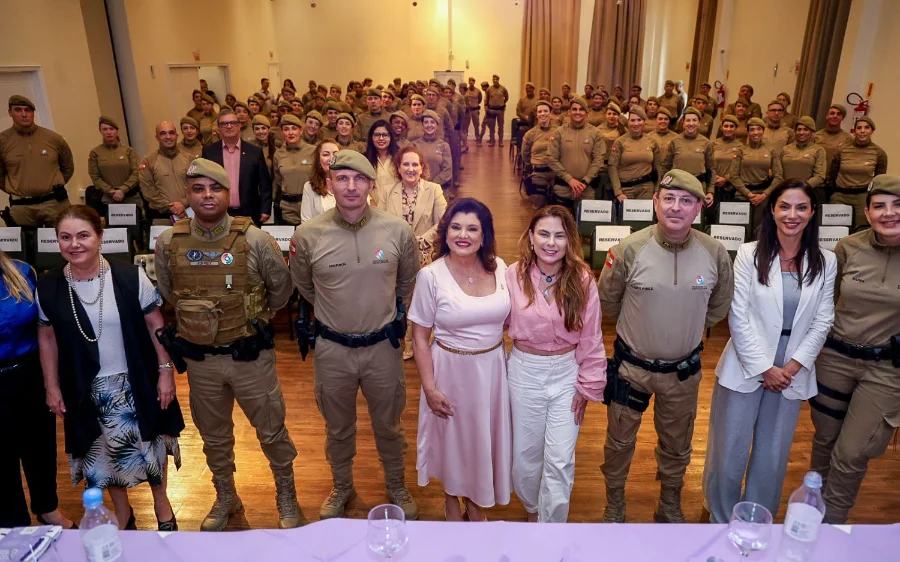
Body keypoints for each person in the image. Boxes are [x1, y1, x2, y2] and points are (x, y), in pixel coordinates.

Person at [154, 158, 299, 530]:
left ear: (227, 194)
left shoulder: (255, 240)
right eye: (198, 188)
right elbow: (169, 292)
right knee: (213, 436)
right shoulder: (169, 242)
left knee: (271, 429)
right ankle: (226, 497)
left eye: (214, 188)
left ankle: (287, 494)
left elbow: (281, 291)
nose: (206, 195)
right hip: (201, 361)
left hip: (249, 355)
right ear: (187, 194)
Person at [289, 151, 419, 521]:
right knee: (337, 427)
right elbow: (304, 285)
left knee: (390, 425)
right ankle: (342, 486)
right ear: (329, 184)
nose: (350, 186)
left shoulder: (396, 230)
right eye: (341, 178)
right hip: (333, 349)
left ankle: (396, 483)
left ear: (370, 185)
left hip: (382, 347)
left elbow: (407, 279)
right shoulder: (308, 235)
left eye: (358, 179)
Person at [598, 170, 734, 523]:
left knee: (677, 445)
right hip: (631, 370)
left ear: (699, 209)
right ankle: (614, 502)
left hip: (682, 374)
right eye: (669, 199)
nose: (676, 207)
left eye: (686, 201)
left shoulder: (715, 253)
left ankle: (670, 502)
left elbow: (718, 306)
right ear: (655, 203)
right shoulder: (627, 249)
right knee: (619, 442)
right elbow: (608, 302)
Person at [37, 205, 184, 530]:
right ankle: (123, 514)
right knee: (105, 458)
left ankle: (163, 508)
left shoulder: (130, 276)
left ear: (100, 238)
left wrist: (165, 371)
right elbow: (46, 337)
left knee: (150, 449)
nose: (74, 244)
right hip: (86, 389)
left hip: (136, 383)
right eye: (65, 237)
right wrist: (51, 386)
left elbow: (155, 324)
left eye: (83, 235)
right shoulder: (47, 287)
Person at [703, 179, 836, 523]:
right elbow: (738, 314)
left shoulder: (826, 261)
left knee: (772, 454)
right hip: (747, 366)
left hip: (793, 370)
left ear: (812, 213)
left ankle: (756, 520)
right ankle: (720, 518)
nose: (793, 215)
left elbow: (823, 321)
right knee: (728, 452)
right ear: (772, 210)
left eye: (801, 207)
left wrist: (790, 368)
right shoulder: (749, 253)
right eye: (785, 206)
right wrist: (764, 368)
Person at [409, 197, 509, 522]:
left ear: (484, 235)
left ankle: (477, 503)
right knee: (453, 442)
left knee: (483, 441)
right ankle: (452, 499)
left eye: (471, 228)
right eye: (455, 227)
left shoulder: (502, 267)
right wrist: (429, 387)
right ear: (445, 232)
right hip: (450, 369)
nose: (462, 234)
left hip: (493, 371)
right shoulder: (430, 276)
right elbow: (420, 337)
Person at [808, 175, 900, 524]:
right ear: (868, 211)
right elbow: (826, 304)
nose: (888, 214)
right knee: (825, 441)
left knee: (852, 453)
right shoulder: (848, 248)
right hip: (835, 360)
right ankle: (810, 512)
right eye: (880, 206)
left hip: (885, 370)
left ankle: (830, 525)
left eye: (897, 205)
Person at [506, 206, 606, 522]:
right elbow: (493, 325)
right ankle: (533, 508)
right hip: (524, 371)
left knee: (561, 459)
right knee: (525, 458)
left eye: (559, 235)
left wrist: (587, 385)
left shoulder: (583, 279)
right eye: (544, 234)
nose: (551, 242)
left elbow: (592, 337)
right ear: (531, 238)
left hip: (567, 371)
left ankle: (551, 528)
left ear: (569, 240)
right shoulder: (511, 275)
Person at [0, 249, 75, 529]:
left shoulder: (22, 271)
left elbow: (45, 327)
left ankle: (48, 509)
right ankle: (14, 524)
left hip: (30, 374)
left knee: (40, 448)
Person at [379, 145, 448, 359]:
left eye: (415, 164)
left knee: (420, 300)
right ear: (398, 168)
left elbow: (444, 221)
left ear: (422, 167)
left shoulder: (433, 189)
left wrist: (423, 240)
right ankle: (394, 339)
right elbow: (379, 222)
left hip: (424, 254)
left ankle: (414, 343)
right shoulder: (387, 191)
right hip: (394, 253)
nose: (410, 168)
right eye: (405, 164)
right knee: (397, 299)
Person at [1, 95, 74, 227]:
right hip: (21, 207)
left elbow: (68, 167)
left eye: (28, 110)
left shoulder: (53, 138)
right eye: (18, 110)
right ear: (10, 113)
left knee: (63, 244)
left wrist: (52, 185)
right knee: (25, 246)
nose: (24, 114)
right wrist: (18, 189)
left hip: (54, 204)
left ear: (33, 113)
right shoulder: (3, 141)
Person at [202, 109, 272, 225]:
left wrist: (265, 209)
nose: (229, 126)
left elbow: (264, 184)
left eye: (232, 123)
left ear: (239, 125)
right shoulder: (209, 152)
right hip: (219, 213)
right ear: (219, 127)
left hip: (250, 213)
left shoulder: (254, 152)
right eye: (224, 124)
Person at [546, 97, 605, 210]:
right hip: (563, 187)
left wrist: (585, 181)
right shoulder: (559, 133)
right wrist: (569, 179)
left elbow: (598, 160)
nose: (577, 112)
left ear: (586, 113)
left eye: (581, 109)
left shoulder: (595, 133)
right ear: (569, 112)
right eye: (574, 109)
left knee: (585, 225)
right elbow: (551, 159)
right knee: (562, 224)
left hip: (586, 188)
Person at [828, 117, 887, 227]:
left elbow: (879, 179)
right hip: (840, 196)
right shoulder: (842, 150)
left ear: (872, 131)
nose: (862, 131)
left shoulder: (879, 153)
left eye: (866, 128)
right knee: (835, 231)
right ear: (854, 131)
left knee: (861, 231)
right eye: (859, 128)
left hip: (863, 197)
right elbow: (832, 173)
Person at [660, 108, 715, 208]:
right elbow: (665, 167)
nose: (691, 123)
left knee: (697, 220)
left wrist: (711, 191)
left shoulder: (706, 143)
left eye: (694, 120)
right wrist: (662, 188)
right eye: (688, 120)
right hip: (677, 187)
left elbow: (711, 169)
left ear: (699, 123)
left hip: (699, 188)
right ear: (683, 123)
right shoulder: (674, 142)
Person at [139, 121, 193, 224]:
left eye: (171, 133)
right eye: (163, 133)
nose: (168, 136)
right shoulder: (148, 161)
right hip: (162, 218)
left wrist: (183, 204)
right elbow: (148, 190)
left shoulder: (189, 158)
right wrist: (171, 207)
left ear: (177, 136)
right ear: (157, 137)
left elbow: (196, 185)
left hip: (189, 215)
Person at [730, 117, 779, 228]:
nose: (755, 132)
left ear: (763, 131)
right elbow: (733, 176)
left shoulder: (771, 151)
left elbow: (778, 177)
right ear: (748, 132)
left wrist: (764, 195)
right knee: (741, 230)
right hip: (742, 196)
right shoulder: (741, 151)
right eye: (752, 129)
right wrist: (749, 194)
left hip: (763, 197)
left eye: (758, 129)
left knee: (760, 231)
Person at [272, 114, 315, 226]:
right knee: (290, 241)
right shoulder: (278, 154)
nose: (290, 133)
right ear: (282, 133)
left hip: (308, 204)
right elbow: (278, 180)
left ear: (301, 131)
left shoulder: (313, 151)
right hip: (287, 206)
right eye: (286, 129)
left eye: (294, 128)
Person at [609, 106, 659, 202]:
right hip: (626, 190)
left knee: (645, 217)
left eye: (639, 120)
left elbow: (658, 167)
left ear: (644, 121)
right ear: (628, 122)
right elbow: (612, 167)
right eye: (632, 120)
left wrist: (657, 190)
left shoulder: (652, 141)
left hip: (646, 188)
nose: (636, 123)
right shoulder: (620, 142)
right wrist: (618, 192)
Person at [88, 116, 140, 206]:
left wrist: (123, 190)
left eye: (111, 129)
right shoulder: (95, 153)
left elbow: (136, 173)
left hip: (130, 197)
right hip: (109, 199)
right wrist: (110, 191)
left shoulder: (128, 151)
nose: (109, 132)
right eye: (105, 129)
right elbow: (95, 176)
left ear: (116, 131)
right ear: (100, 131)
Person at [773, 117, 827, 204]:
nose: (801, 132)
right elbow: (779, 174)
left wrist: (802, 187)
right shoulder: (785, 149)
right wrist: (785, 188)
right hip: (786, 193)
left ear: (812, 132)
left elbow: (820, 176)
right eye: (799, 129)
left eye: (806, 129)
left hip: (808, 193)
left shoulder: (818, 150)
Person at [522, 101, 558, 210]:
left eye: (545, 111)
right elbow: (525, 154)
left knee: (557, 207)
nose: (542, 114)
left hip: (555, 173)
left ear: (550, 113)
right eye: (540, 111)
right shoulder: (530, 134)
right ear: (536, 114)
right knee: (538, 205)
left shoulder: (559, 131)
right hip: (538, 173)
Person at [300, 139, 340, 223]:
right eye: (326, 154)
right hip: (318, 235)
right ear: (318, 160)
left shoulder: (352, 184)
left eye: (335, 154)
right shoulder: (309, 187)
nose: (331, 158)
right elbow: (306, 222)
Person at [413, 111, 453, 195]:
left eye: (432, 122)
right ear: (422, 125)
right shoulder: (414, 145)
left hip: (439, 190)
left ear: (437, 125)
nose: (429, 125)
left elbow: (447, 170)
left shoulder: (444, 146)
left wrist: (432, 185)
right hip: (419, 190)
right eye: (426, 122)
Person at [814, 104, 853, 184]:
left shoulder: (848, 138)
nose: (835, 116)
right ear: (827, 116)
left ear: (842, 118)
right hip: (817, 180)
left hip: (836, 182)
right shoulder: (816, 136)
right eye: (832, 113)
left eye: (838, 114)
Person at [365, 120, 400, 197]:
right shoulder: (364, 159)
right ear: (371, 137)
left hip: (397, 204)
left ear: (391, 137)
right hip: (373, 205)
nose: (381, 138)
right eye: (377, 135)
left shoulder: (400, 157)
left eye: (385, 135)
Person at [711, 115, 742, 203]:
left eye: (732, 126)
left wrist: (726, 179)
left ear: (736, 128)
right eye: (726, 126)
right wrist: (715, 177)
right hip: (714, 186)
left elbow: (740, 168)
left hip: (731, 188)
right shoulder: (713, 144)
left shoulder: (740, 147)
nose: (728, 129)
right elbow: (708, 163)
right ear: (721, 127)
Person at [485, 75, 510, 147]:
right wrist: (487, 107)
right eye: (494, 79)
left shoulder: (503, 88)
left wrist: (502, 103)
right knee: (492, 126)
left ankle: (500, 141)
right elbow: (487, 99)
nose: (495, 80)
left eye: (496, 79)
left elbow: (507, 97)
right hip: (491, 110)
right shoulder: (489, 89)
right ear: (492, 80)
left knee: (501, 126)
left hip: (500, 110)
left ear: (498, 80)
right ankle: (492, 141)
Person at [464, 78, 483, 147]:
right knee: (466, 126)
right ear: (469, 82)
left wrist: (475, 104)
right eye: (470, 81)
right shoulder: (466, 90)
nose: (471, 82)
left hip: (475, 110)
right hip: (467, 111)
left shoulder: (478, 91)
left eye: (473, 81)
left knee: (476, 125)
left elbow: (480, 99)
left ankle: (478, 140)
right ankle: (464, 141)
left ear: (474, 82)